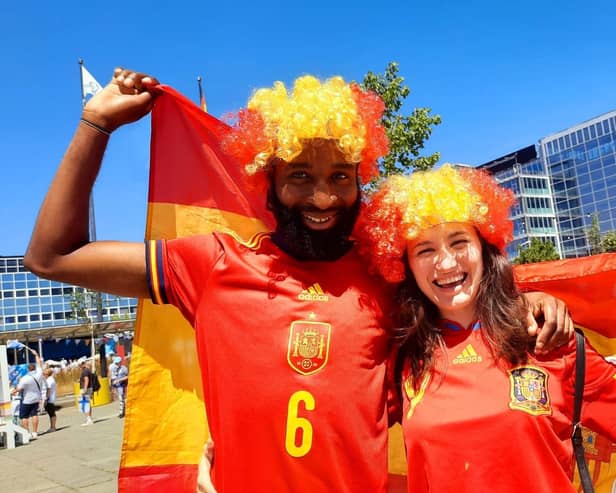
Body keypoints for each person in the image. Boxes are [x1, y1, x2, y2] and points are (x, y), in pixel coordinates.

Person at [25, 68, 572, 492]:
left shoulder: (383, 277)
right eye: (300, 178)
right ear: (269, 183)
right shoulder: (212, 265)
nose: (323, 198)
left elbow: (461, 290)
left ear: (361, 179)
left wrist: (533, 299)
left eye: (340, 177)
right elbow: (53, 257)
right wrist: (96, 125)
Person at [356, 165, 616, 492]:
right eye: (425, 249)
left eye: (458, 241)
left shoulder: (548, 337)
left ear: (484, 246)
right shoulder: (401, 360)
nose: (447, 263)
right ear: (405, 264)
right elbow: (343, 434)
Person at [10, 348, 45, 439]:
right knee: (34, 415)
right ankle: (35, 432)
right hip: (36, 398)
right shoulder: (39, 374)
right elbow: (40, 365)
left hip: (26, 400)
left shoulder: (25, 378)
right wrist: (36, 354)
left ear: (28, 369)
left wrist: (11, 392)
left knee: (24, 417)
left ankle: (27, 433)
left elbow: (18, 389)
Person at [78, 357, 94, 426]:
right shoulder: (88, 370)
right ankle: (89, 418)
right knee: (87, 403)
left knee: (85, 404)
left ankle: (88, 419)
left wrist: (84, 389)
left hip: (86, 389)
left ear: (82, 364)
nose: (79, 366)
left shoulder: (84, 371)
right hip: (89, 388)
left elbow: (86, 380)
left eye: (79, 365)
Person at [43, 367, 58, 432]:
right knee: (51, 413)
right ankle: (52, 426)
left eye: (44, 374)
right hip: (51, 398)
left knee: (51, 413)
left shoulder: (49, 380)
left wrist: (46, 399)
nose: (43, 375)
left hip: (50, 399)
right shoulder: (51, 379)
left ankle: (53, 427)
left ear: (47, 374)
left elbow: (48, 390)